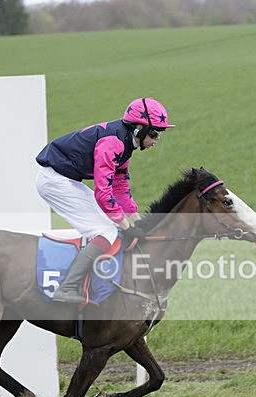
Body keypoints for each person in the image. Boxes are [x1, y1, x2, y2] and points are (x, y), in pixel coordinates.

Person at [35, 97, 175, 304]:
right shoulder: (114, 142)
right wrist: (126, 227)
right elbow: (103, 193)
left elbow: (120, 187)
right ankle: (68, 287)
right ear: (138, 128)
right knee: (107, 231)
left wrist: (138, 222)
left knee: (111, 224)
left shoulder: (126, 143)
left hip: (65, 178)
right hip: (55, 181)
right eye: (154, 133)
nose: (156, 139)